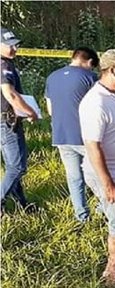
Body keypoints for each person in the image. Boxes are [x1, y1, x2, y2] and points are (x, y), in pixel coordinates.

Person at [79, 49, 115, 287]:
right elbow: (92, 147)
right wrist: (108, 184)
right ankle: (112, 273)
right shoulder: (95, 103)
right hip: (110, 174)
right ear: (112, 70)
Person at [45, 47, 99, 222]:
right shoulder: (90, 77)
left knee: (74, 177)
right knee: (99, 174)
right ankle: (104, 206)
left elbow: (50, 110)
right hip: (85, 136)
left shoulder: (52, 77)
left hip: (61, 134)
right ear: (90, 62)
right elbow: (98, 107)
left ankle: (81, 215)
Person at [0, 27, 39, 214]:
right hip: (6, 121)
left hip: (8, 119)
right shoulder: (3, 65)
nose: (14, 49)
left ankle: (22, 204)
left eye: (15, 45)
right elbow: (10, 94)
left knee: (13, 166)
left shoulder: (6, 63)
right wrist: (30, 112)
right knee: (17, 167)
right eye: (9, 46)